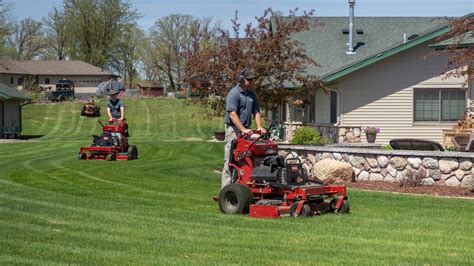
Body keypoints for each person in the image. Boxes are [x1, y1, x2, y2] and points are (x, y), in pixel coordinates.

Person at [221, 69, 267, 189]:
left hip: (246, 129)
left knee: (248, 157)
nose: (251, 82)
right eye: (249, 80)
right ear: (241, 79)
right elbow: (232, 114)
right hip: (234, 130)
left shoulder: (251, 94)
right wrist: (243, 129)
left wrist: (259, 127)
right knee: (231, 160)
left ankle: (244, 186)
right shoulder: (234, 93)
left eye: (252, 79)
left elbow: (256, 112)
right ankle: (225, 190)